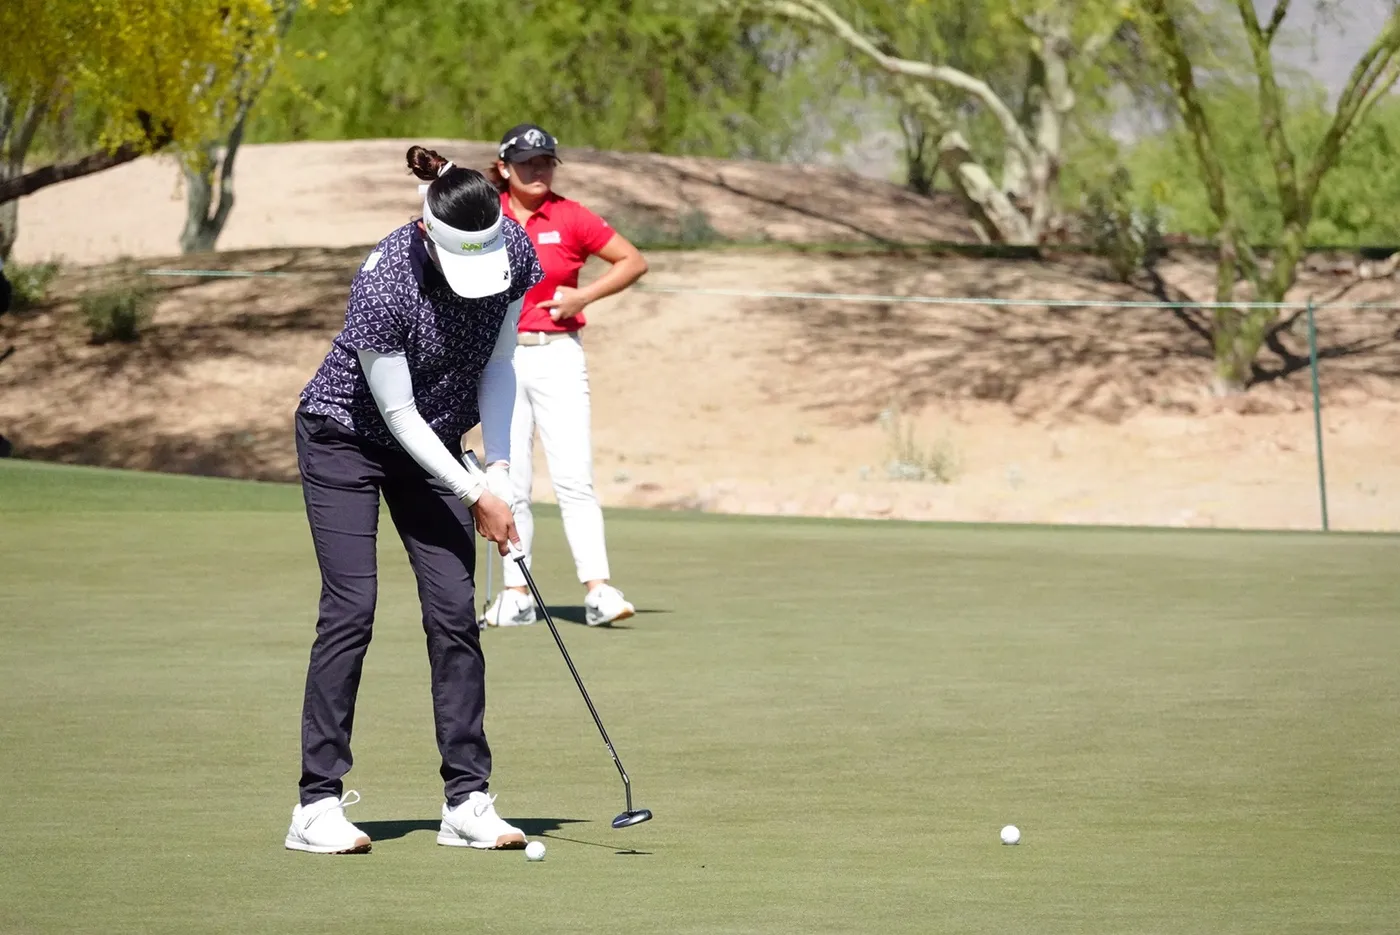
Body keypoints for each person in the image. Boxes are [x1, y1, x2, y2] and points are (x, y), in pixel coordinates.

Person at [285, 145, 543, 855]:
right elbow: (396, 414)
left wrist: (499, 470)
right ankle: (316, 804)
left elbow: (500, 363)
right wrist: (473, 492)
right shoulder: (385, 281)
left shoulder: (514, 251)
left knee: (454, 611)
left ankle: (466, 800)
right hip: (344, 436)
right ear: (426, 231)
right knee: (352, 607)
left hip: (434, 439)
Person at [477, 123, 649, 629]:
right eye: (527, 162)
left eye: (546, 161)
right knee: (510, 479)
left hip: (557, 355)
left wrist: (583, 296)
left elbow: (632, 261)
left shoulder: (570, 216)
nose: (538, 170)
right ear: (504, 167)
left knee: (574, 477)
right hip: (500, 360)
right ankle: (516, 593)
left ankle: (598, 590)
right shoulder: (486, 214)